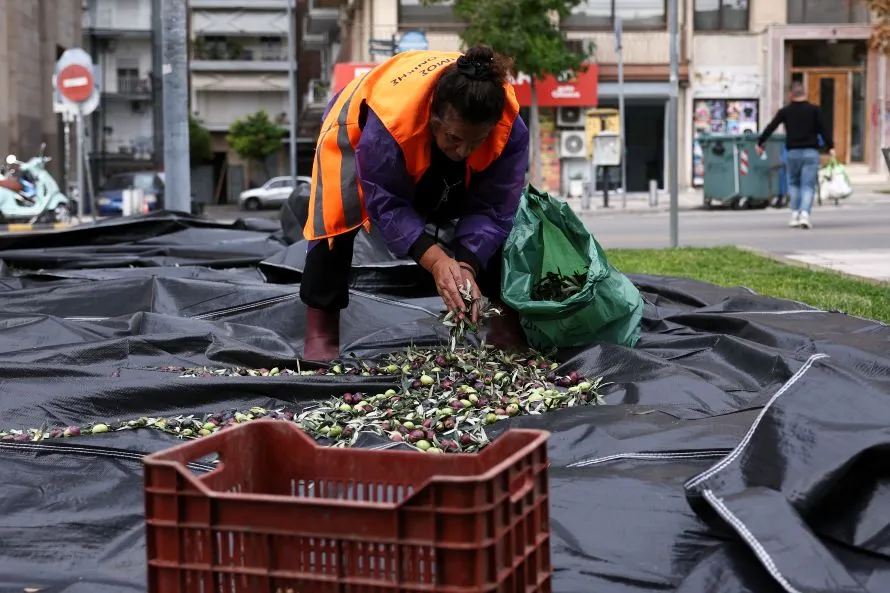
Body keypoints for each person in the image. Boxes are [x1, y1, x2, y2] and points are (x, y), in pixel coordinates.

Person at [299, 45, 530, 362]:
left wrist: (465, 263)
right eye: (455, 139)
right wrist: (435, 260)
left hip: (428, 131)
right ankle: (321, 332)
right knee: (335, 219)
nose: (464, 151)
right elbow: (385, 201)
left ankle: (503, 321)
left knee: (511, 225)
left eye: (476, 142)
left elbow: (494, 205)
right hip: (355, 125)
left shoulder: (509, 127)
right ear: (434, 120)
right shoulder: (388, 126)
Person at [756, 81, 834, 229]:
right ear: (805, 93)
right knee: (808, 185)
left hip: (793, 153)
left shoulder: (785, 111)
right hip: (811, 152)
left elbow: (771, 126)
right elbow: (824, 129)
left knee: (793, 183)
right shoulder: (815, 110)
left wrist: (760, 142)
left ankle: (794, 214)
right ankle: (805, 214)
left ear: (791, 94)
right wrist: (830, 146)